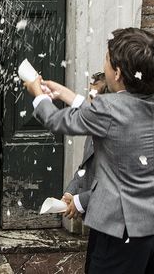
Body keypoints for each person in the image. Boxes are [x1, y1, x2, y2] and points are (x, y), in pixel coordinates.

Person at [24, 28, 154, 274]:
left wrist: (38, 96)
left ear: (116, 73)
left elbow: (58, 122)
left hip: (120, 229)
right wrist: (69, 96)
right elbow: (117, 117)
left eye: (106, 59)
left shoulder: (108, 108)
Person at [60, 72, 108, 220]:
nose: (88, 102)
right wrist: (71, 192)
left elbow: (114, 186)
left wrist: (81, 201)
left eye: (93, 98)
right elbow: (86, 168)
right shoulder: (93, 126)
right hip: (93, 217)